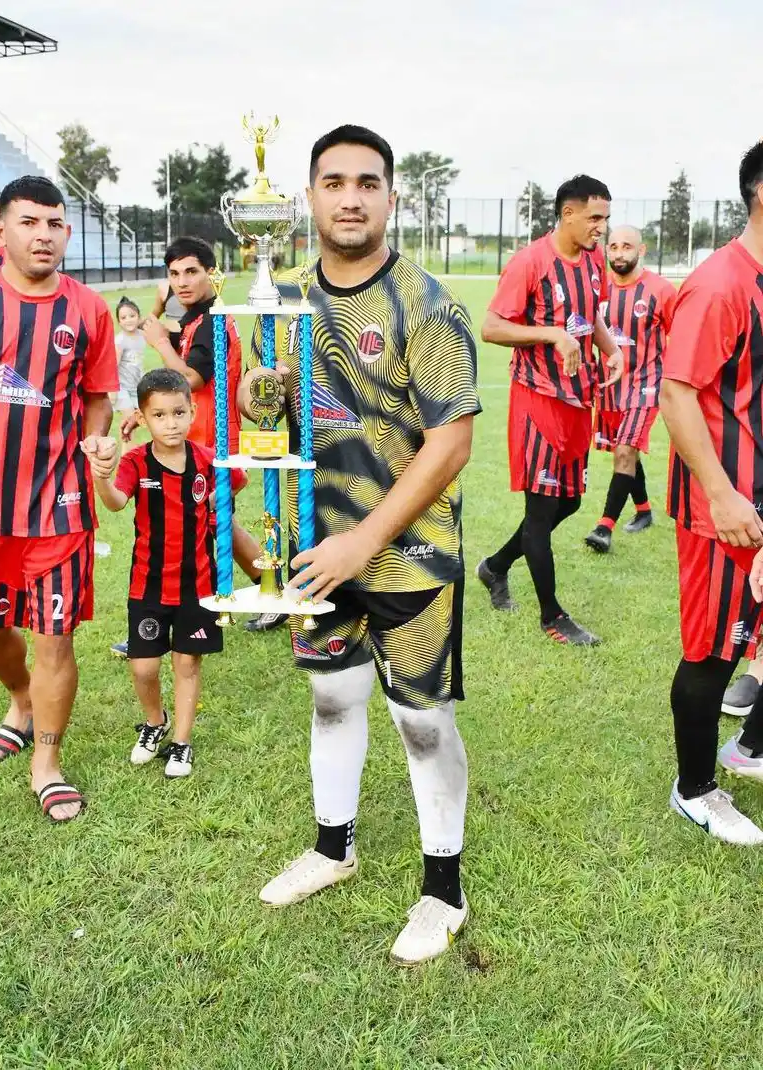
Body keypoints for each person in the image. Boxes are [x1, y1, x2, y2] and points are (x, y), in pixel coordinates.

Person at [240, 125, 481, 965]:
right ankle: (332, 849)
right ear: (308, 196)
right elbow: (269, 425)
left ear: (391, 197)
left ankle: (443, 892)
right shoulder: (281, 302)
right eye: (334, 181)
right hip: (316, 550)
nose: (350, 197)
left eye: (367, 183)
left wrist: (363, 543)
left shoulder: (426, 303)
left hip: (410, 557)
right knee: (332, 699)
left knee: (421, 719)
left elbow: (451, 445)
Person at [0, 175, 117, 821]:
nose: (43, 235)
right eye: (30, 223)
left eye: (54, 224)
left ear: (67, 232)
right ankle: (22, 701)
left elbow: (98, 397)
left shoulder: (88, 310)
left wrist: (97, 445)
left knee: (56, 639)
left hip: (58, 506)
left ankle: (46, 762)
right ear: (0, 228)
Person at [110, 236, 286, 657]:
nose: (183, 281)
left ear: (212, 273)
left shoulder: (213, 319)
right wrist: (148, 413)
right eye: (174, 274)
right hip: (188, 436)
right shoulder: (193, 317)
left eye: (191, 271)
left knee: (196, 526)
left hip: (207, 442)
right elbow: (177, 388)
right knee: (208, 522)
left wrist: (158, 343)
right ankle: (268, 593)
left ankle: (171, 619)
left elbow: (191, 380)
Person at [661, 139, 763, 844]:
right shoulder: (721, 283)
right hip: (728, 509)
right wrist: (723, 496)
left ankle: (748, 747)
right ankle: (695, 787)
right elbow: (676, 394)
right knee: (713, 652)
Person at [477, 176, 623, 645]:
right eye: (595, 217)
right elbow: (493, 327)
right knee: (541, 511)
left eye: (605, 217)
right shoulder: (531, 262)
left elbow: (590, 314)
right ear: (568, 214)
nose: (602, 227)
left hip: (579, 398)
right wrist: (551, 335)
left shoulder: (594, 260)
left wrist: (609, 348)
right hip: (538, 399)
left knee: (570, 502)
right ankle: (553, 617)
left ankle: (495, 566)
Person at [86, 369, 233, 778]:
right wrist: (101, 479)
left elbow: (234, 481)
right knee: (143, 667)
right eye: (160, 415)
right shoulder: (136, 461)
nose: (170, 423)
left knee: (187, 664)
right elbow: (116, 502)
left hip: (199, 587)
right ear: (144, 418)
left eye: (178, 413)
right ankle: (155, 721)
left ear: (192, 411)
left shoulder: (208, 460)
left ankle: (182, 743)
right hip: (148, 585)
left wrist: (217, 508)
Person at [584, 226, 676, 553]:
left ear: (643, 249)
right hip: (610, 386)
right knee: (625, 450)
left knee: (625, 450)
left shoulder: (661, 291)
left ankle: (603, 527)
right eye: (613, 246)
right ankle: (644, 511)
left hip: (646, 384)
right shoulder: (598, 290)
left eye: (627, 246)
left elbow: (679, 338)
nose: (619, 253)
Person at [113, 297, 146, 454]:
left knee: (137, 421)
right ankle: (128, 460)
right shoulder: (120, 341)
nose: (128, 320)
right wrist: (112, 393)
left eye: (132, 316)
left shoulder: (142, 335)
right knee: (129, 422)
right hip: (122, 388)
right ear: (119, 322)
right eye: (123, 318)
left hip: (136, 386)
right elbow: (113, 367)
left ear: (138, 316)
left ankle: (130, 457)